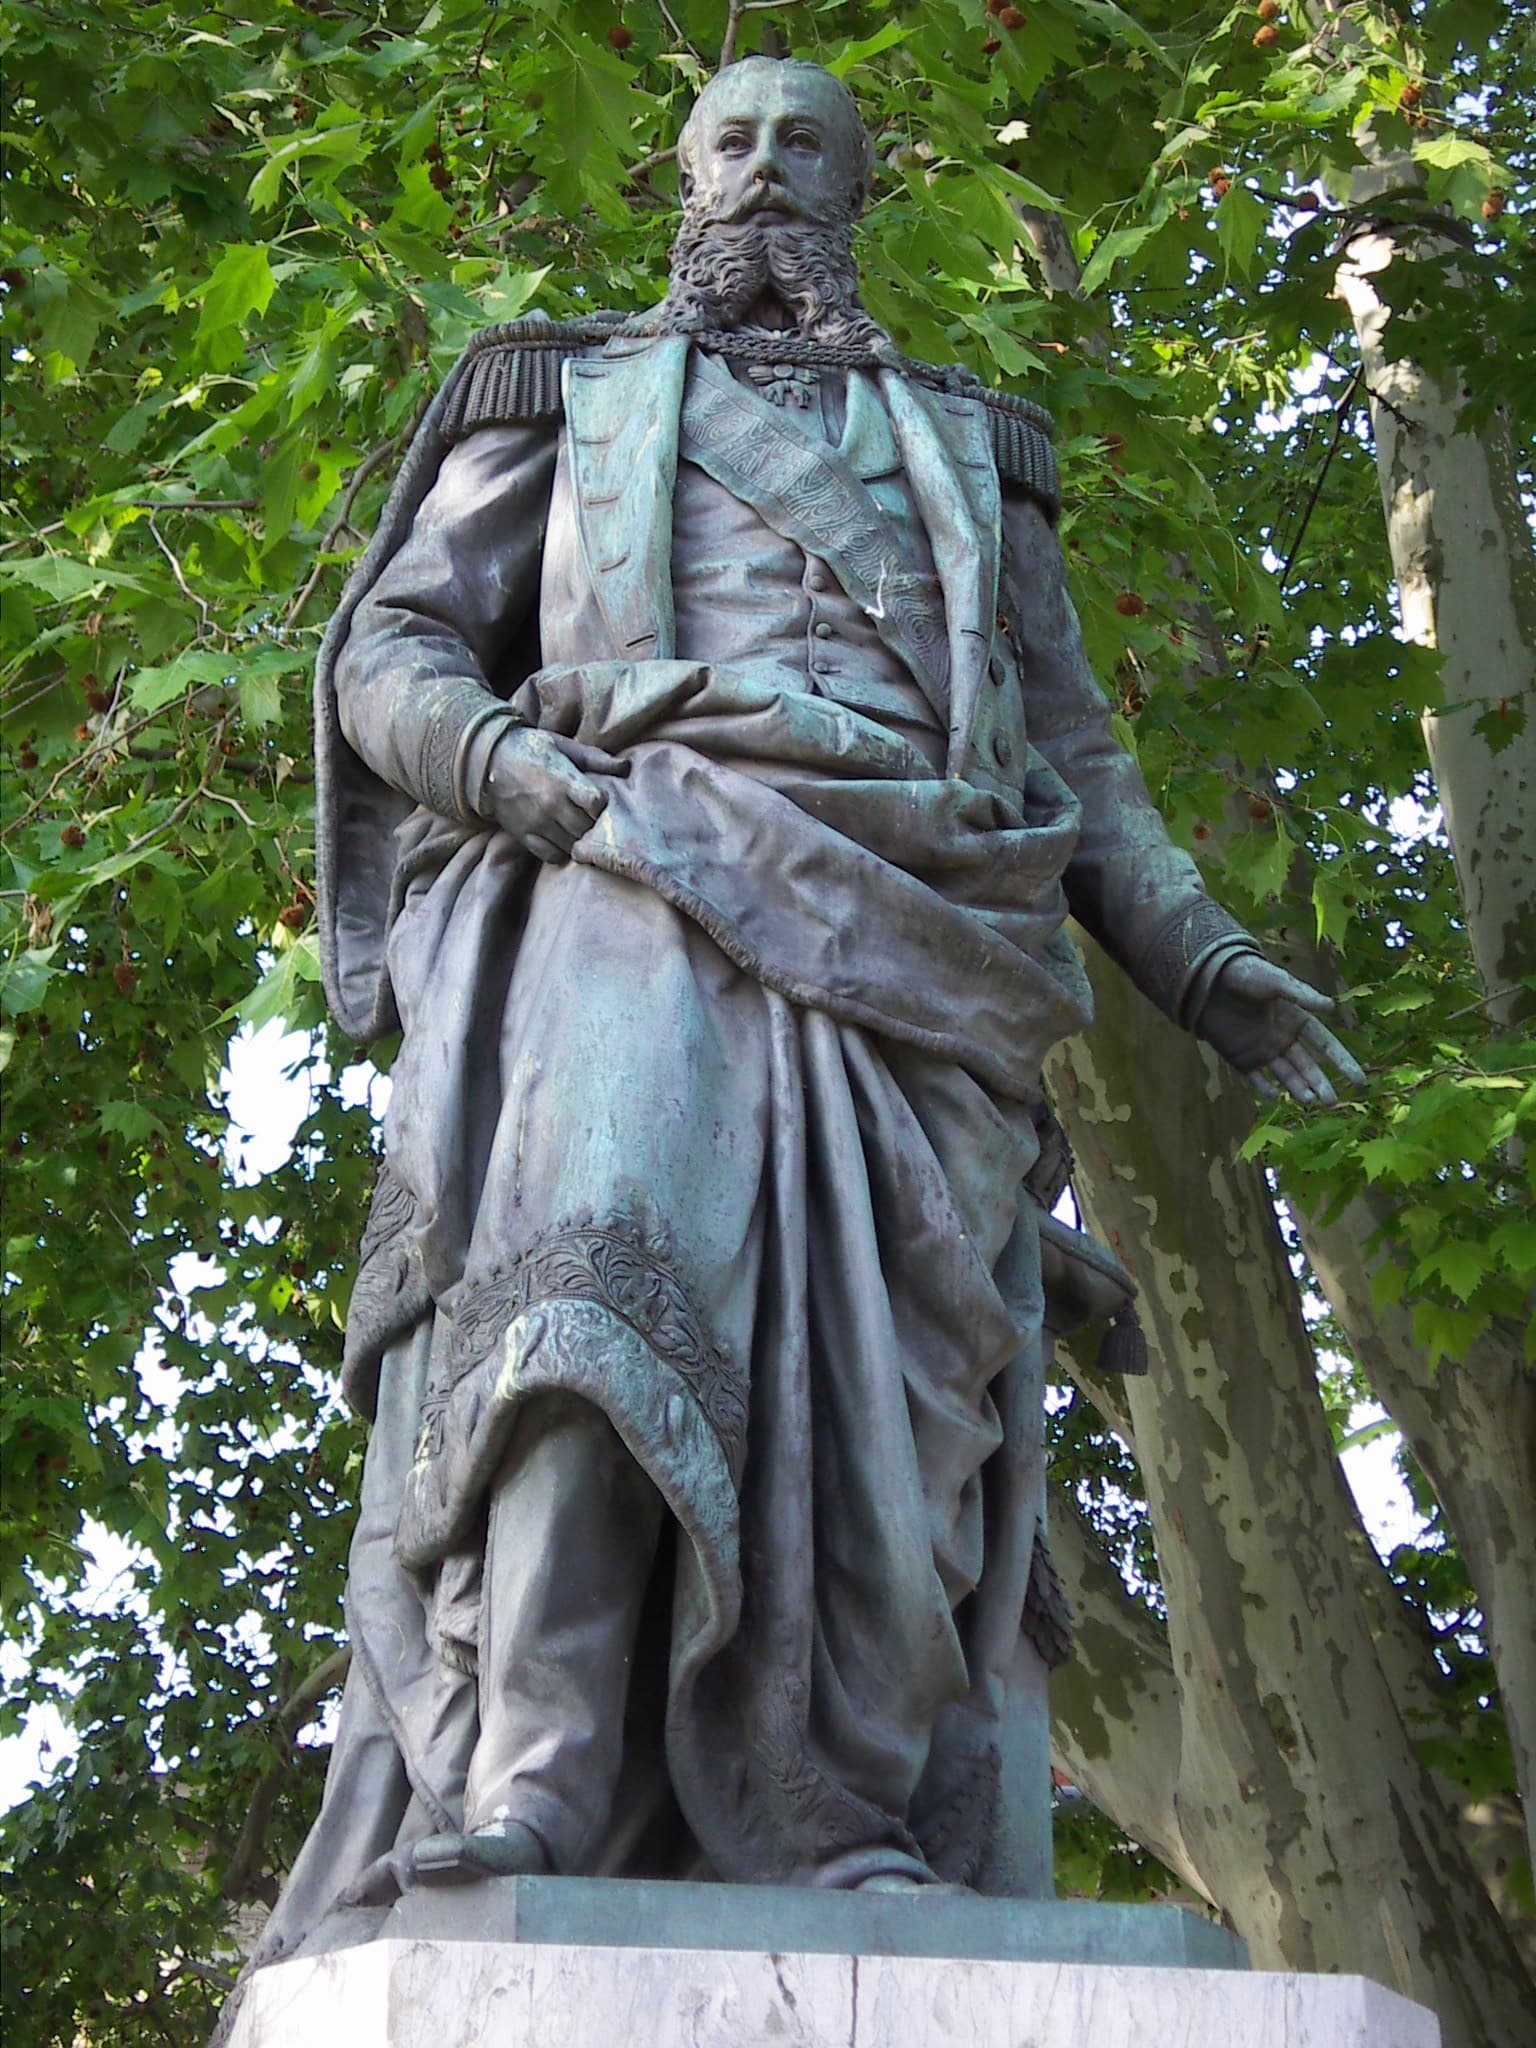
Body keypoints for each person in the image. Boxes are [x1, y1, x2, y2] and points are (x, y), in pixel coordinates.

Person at [257, 55, 1361, 1960]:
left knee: (868, 1401)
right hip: (634, 869)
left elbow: (1081, 764)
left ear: (864, 181)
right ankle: (539, 1761)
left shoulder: (968, 445)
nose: (766, 173)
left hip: (916, 947)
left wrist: (1206, 961)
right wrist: (505, 770)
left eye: (807, 144)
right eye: (731, 142)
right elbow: (397, 642)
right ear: (685, 177)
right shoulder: (566, 393)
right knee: (586, 1285)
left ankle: (831, 1809)